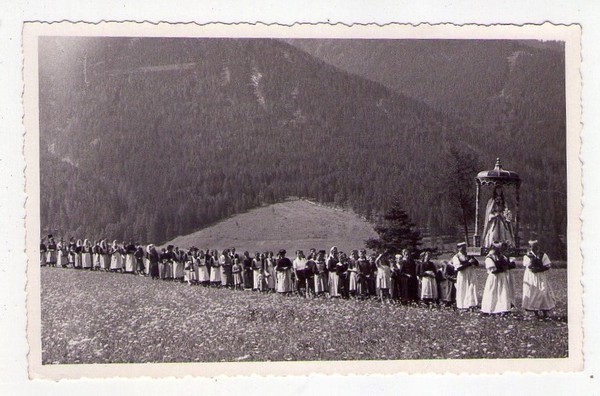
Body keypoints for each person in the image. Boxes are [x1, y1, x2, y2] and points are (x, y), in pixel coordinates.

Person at [522, 240, 556, 319]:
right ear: (530, 247)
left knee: (543, 291)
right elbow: (529, 266)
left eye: (536, 246)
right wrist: (533, 262)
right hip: (531, 276)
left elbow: (547, 265)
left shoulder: (542, 255)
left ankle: (545, 311)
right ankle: (535, 312)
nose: (535, 248)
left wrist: (541, 268)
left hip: (540, 275)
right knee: (533, 292)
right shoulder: (527, 256)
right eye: (533, 246)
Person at [481, 241, 512, 315]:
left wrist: (504, 266)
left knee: (502, 292)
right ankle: (490, 309)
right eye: (497, 249)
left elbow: (506, 266)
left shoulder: (501, 257)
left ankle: (503, 309)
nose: (498, 251)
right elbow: (494, 270)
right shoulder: (489, 257)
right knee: (492, 292)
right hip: (494, 277)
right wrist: (503, 268)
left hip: (501, 276)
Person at [451, 242, 479, 310]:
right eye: (462, 247)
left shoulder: (469, 255)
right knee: (463, 289)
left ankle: (472, 304)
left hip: (471, 273)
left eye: (465, 247)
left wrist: (473, 259)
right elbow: (459, 268)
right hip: (463, 274)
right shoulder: (456, 257)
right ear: (458, 248)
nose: (464, 249)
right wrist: (469, 263)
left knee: (472, 288)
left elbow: (477, 264)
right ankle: (463, 305)